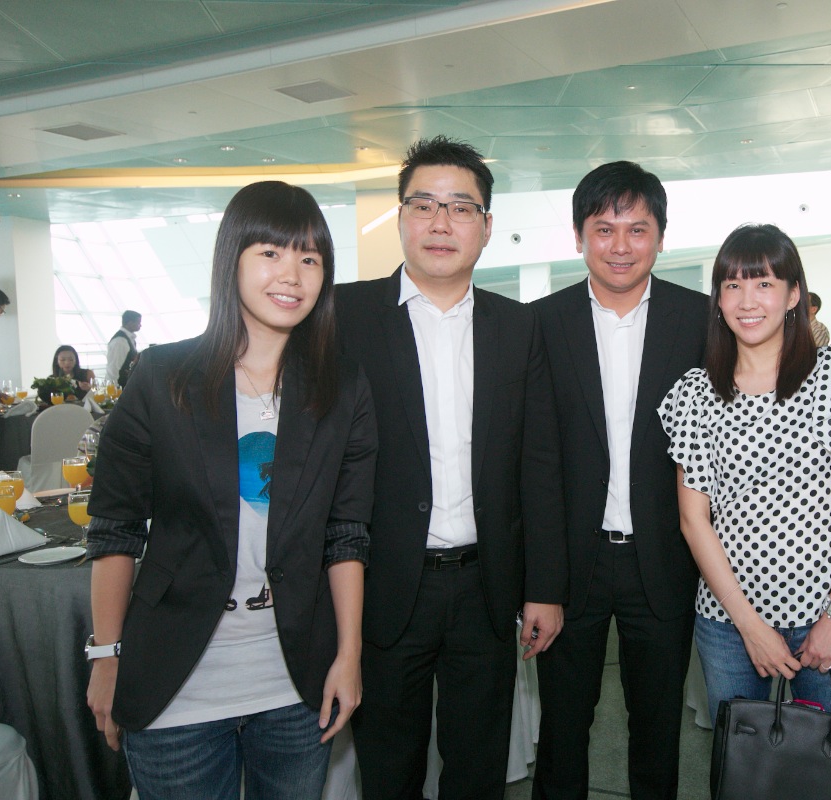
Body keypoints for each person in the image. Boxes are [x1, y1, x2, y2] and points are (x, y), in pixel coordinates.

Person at [84, 180, 378, 799]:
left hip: (294, 685)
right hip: (176, 687)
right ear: (231, 261)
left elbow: (346, 534)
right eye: (270, 252)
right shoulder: (164, 377)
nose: (291, 274)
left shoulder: (341, 388)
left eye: (309, 258)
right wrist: (106, 655)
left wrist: (348, 655)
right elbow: (115, 527)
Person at [336, 136, 566, 800]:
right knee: (388, 772)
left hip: (484, 589)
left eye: (461, 208)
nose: (441, 223)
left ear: (486, 227)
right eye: (424, 205)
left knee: (478, 770)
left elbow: (539, 465)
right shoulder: (345, 318)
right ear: (400, 218)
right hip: (381, 586)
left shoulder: (517, 328)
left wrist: (544, 587)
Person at [531, 161, 706, 800]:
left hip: (664, 558)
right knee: (562, 728)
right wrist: (539, 582)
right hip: (570, 565)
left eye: (637, 229)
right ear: (580, 236)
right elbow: (533, 462)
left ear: (660, 236)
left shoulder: (700, 320)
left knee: (658, 728)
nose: (621, 246)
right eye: (604, 229)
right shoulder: (540, 323)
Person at [659, 223, 831, 726]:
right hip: (729, 622)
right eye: (732, 285)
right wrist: (749, 626)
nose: (747, 300)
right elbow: (695, 519)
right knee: (742, 762)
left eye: (764, 283)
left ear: (793, 294)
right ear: (718, 300)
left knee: (828, 759)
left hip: (829, 612)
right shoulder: (695, 393)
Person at [106, 310, 142, 388]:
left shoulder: (129, 339)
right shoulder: (120, 341)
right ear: (130, 323)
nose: (140, 325)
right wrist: (113, 389)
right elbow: (114, 368)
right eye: (138, 323)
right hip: (120, 385)